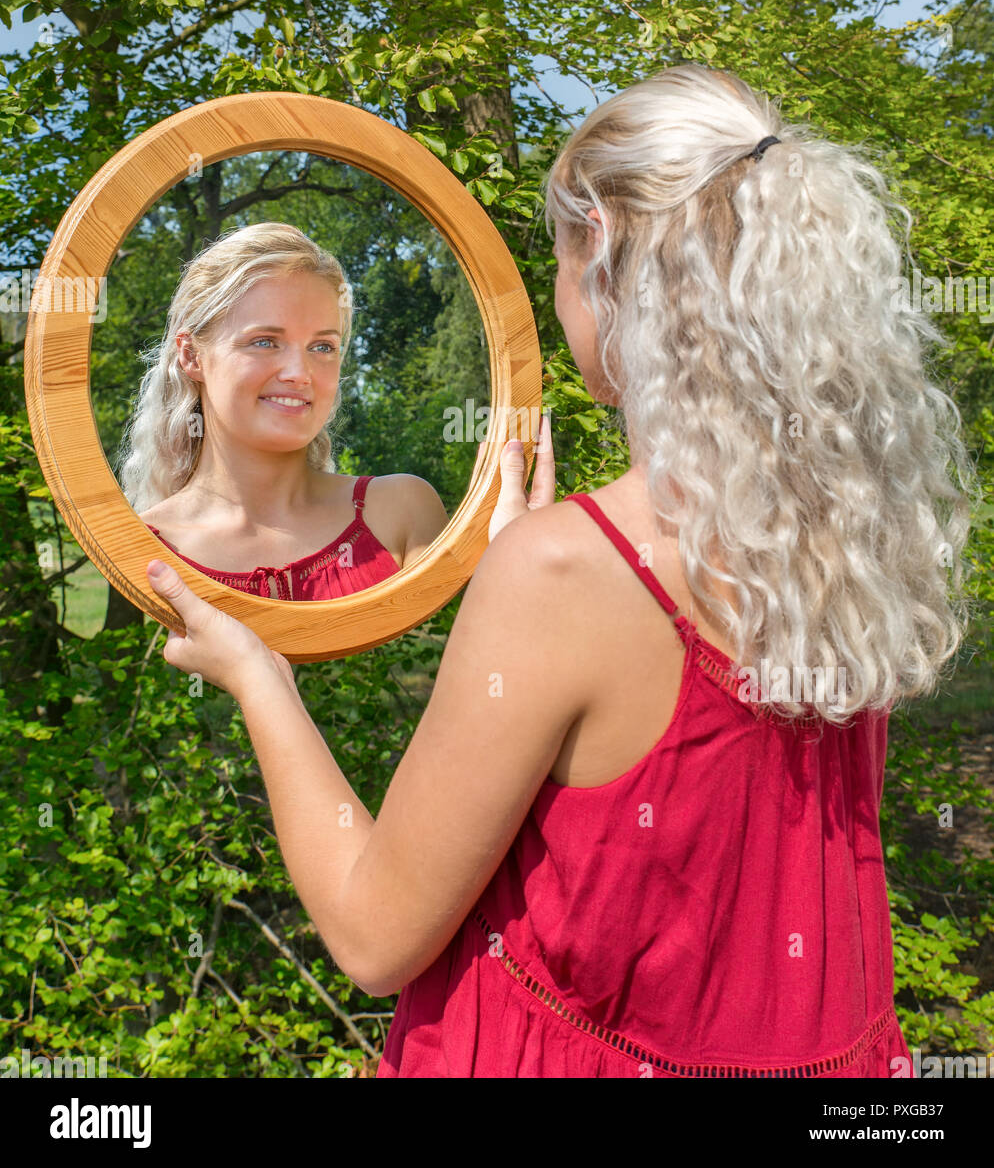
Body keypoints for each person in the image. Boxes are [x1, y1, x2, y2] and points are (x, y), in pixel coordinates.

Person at [145, 63, 977, 1077]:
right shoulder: (844, 533)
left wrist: (257, 675)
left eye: (557, 251)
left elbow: (373, 937)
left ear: (606, 252)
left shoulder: (568, 571)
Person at [118, 223, 450, 600]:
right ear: (191, 355)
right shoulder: (146, 551)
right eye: (265, 342)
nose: (299, 374)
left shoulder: (402, 513)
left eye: (322, 347)